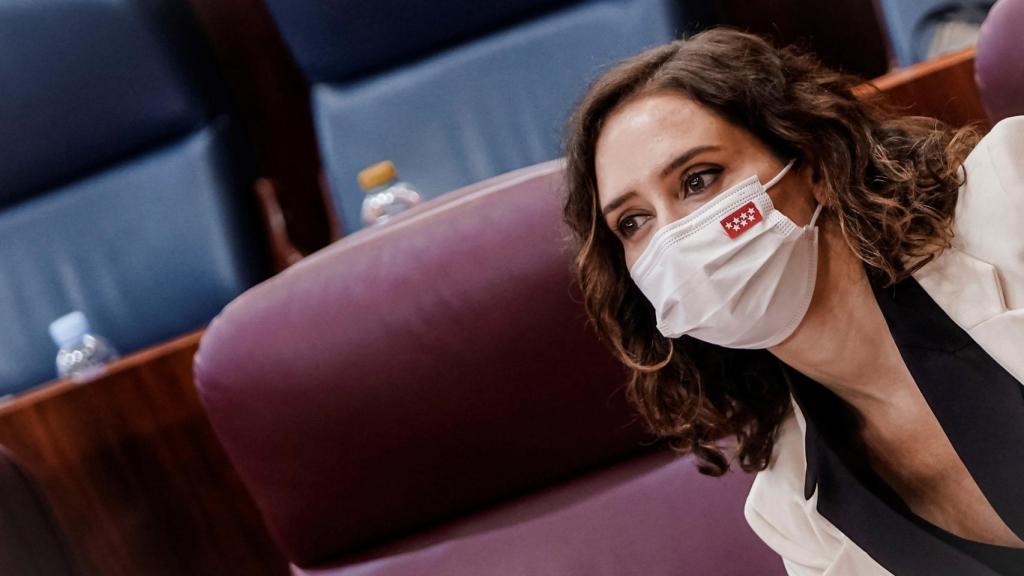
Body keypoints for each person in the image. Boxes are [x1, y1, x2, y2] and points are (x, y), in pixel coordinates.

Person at [562, 28, 1024, 576]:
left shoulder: (1012, 195)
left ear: (814, 164)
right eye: (632, 222)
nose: (673, 237)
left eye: (699, 180)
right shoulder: (789, 510)